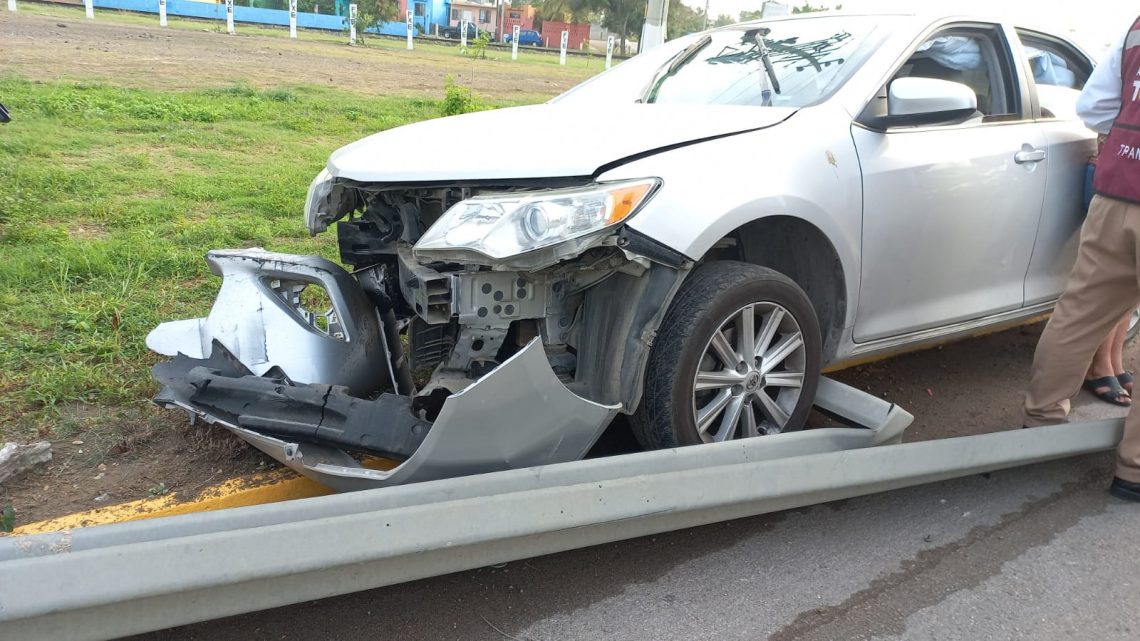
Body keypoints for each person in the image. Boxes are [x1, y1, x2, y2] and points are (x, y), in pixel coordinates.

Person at [1022, 15, 1140, 501]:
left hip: (1118, 193)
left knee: (1079, 312)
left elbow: (1094, 108)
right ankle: (1134, 469)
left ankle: (1040, 423)